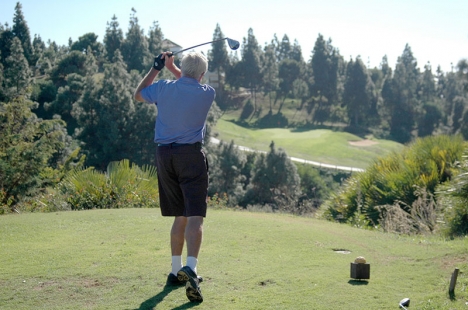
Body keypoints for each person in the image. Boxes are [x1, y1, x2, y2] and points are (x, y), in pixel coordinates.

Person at [134, 51, 215, 303]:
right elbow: (190, 81)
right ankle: (190, 268)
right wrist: (176, 68)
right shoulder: (207, 93)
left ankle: (173, 271)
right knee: (194, 215)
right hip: (190, 156)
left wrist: (158, 68)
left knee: (180, 213)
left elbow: (138, 94)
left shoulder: (162, 88)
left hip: (164, 157)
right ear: (202, 75)